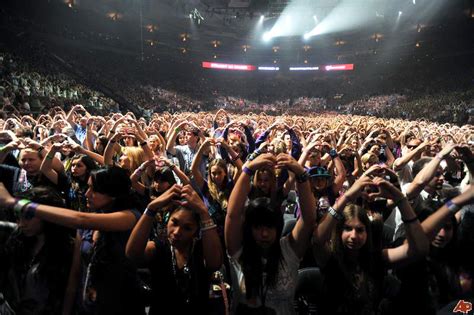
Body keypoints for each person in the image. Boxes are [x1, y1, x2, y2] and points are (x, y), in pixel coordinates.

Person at [0, 166, 145, 315]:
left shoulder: (130, 217)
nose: (87, 193)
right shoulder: (86, 228)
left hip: (121, 305)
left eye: (94, 189)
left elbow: (79, 219)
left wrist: (15, 203)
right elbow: (75, 276)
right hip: (89, 307)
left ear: (113, 193)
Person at [312, 176, 430, 315]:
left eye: (360, 230)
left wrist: (400, 199)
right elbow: (318, 240)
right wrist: (347, 197)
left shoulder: (378, 257)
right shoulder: (330, 258)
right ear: (339, 231)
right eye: (348, 229)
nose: (354, 236)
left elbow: (418, 249)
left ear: (368, 232)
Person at [225, 153, 315, 314]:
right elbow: (232, 215)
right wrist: (248, 169)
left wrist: (301, 175)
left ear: (278, 227)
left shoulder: (289, 250)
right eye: (258, 227)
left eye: (270, 227)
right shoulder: (240, 251)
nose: (265, 234)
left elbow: (308, 220)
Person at [125, 184, 223, 314]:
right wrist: (151, 208)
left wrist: (204, 213)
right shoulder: (159, 248)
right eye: (174, 223)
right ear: (168, 220)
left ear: (196, 231)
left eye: (187, 228)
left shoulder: (201, 249)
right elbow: (132, 254)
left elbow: (215, 263)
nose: (177, 232)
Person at [0, 187, 73, 315]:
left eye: (28, 217)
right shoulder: (16, 237)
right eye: (18, 217)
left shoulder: (67, 249)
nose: (22, 224)